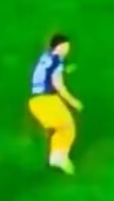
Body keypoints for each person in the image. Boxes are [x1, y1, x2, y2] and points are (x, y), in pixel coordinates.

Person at [28, 34, 82, 175]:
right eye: (66, 47)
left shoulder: (45, 57)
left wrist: (65, 70)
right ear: (60, 46)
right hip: (48, 100)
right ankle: (58, 157)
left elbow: (47, 71)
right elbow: (58, 85)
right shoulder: (57, 60)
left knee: (61, 128)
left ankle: (56, 156)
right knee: (68, 127)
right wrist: (73, 101)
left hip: (35, 102)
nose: (67, 50)